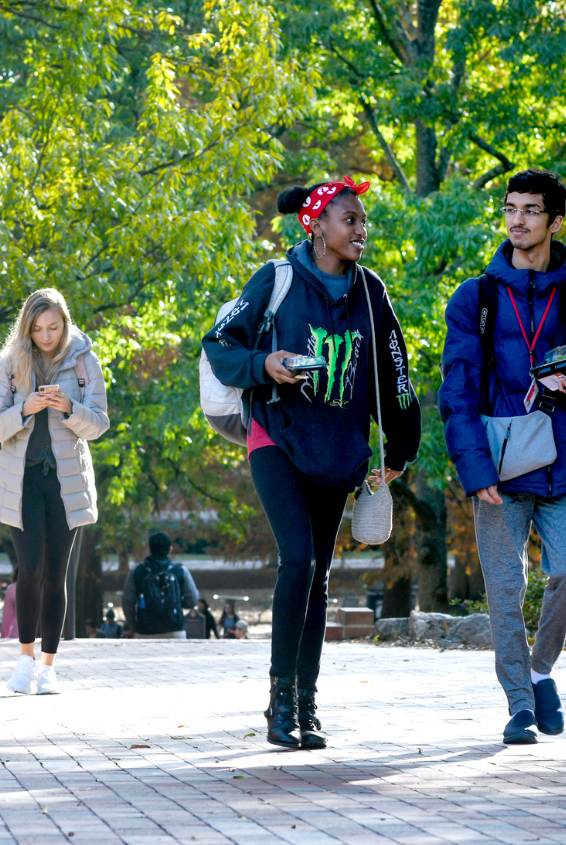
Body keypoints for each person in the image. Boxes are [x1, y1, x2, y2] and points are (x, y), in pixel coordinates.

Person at [203, 176, 422, 750]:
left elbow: (394, 374)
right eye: (349, 220)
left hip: (338, 448)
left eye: (363, 221)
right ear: (317, 225)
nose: (361, 231)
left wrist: (398, 451)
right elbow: (220, 343)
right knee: (296, 559)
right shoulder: (276, 280)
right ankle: (279, 701)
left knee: (320, 576)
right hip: (275, 435)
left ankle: (307, 703)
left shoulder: (371, 293)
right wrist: (265, 363)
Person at [440, 169, 566, 745]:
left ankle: (542, 670)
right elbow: (457, 392)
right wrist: (474, 471)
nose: (517, 219)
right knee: (504, 588)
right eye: (510, 208)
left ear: (555, 221)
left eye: (530, 210)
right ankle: (520, 704)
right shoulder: (476, 298)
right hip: (497, 464)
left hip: (559, 460)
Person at [0, 288, 110, 695]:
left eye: (53, 327)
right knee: (29, 570)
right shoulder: (10, 363)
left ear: (65, 322)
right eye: (37, 329)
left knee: (57, 574)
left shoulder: (84, 360)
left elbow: (100, 423)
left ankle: (50, 667)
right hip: (21, 481)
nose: (46, 335)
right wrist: (26, 409)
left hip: (65, 480)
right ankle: (24, 660)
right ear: (27, 328)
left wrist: (68, 408)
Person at [122, 532, 198, 639]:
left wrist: (134, 626)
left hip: (145, 632)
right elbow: (193, 599)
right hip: (175, 631)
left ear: (149, 549)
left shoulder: (137, 571)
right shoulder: (180, 570)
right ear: (170, 549)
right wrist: (176, 603)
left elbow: (127, 601)